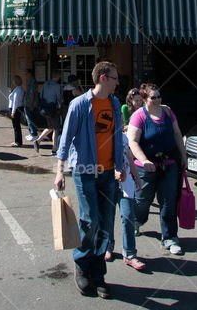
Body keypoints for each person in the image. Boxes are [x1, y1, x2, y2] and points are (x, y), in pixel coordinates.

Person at [55, 61, 125, 299]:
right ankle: (82, 265)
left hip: (108, 172)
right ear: (104, 78)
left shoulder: (115, 103)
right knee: (90, 220)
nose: (118, 82)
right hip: (84, 171)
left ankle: (98, 273)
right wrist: (59, 171)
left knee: (105, 224)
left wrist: (121, 166)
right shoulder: (80, 104)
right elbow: (65, 140)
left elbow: (118, 137)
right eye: (115, 78)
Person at [127, 83, 186, 256]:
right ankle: (138, 221)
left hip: (168, 164)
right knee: (142, 200)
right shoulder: (139, 116)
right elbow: (133, 141)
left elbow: (176, 133)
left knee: (168, 201)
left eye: (159, 96)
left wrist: (183, 154)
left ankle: (170, 237)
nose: (158, 100)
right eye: (153, 97)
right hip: (145, 167)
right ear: (145, 99)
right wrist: (144, 160)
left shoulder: (167, 112)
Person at [106, 127, 146, 270]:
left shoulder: (123, 138)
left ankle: (129, 254)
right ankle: (108, 246)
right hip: (109, 183)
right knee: (108, 217)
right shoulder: (102, 137)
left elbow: (129, 157)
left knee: (128, 216)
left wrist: (136, 177)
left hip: (126, 184)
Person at [35, 71, 62, 153]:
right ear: (58, 77)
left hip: (45, 108)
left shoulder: (45, 84)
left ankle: (38, 140)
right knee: (56, 129)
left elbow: (41, 95)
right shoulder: (57, 86)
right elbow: (59, 98)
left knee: (50, 127)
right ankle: (54, 148)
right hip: (53, 109)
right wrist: (60, 107)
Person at [8, 75, 24, 148]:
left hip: (16, 108)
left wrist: (13, 112)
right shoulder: (19, 89)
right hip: (19, 108)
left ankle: (17, 141)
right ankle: (18, 141)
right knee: (17, 125)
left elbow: (15, 102)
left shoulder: (17, 90)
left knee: (16, 125)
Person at [23, 68, 39, 141]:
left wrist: (31, 104)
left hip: (30, 103)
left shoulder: (32, 82)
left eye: (26, 73)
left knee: (30, 119)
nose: (25, 75)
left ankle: (34, 134)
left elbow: (32, 93)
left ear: (30, 73)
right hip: (28, 102)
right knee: (28, 118)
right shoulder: (30, 81)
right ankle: (31, 133)